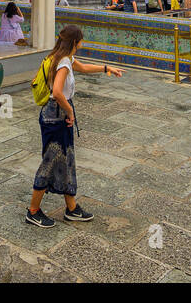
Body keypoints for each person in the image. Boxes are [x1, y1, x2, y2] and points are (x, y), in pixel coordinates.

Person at [26, 25, 123, 227]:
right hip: (56, 116)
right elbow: (58, 92)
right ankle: (33, 211)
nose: (82, 43)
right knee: (51, 161)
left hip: (57, 114)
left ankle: (71, 208)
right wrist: (69, 112)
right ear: (75, 42)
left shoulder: (62, 58)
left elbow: (83, 68)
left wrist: (106, 68)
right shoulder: (62, 63)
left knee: (66, 160)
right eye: (81, 40)